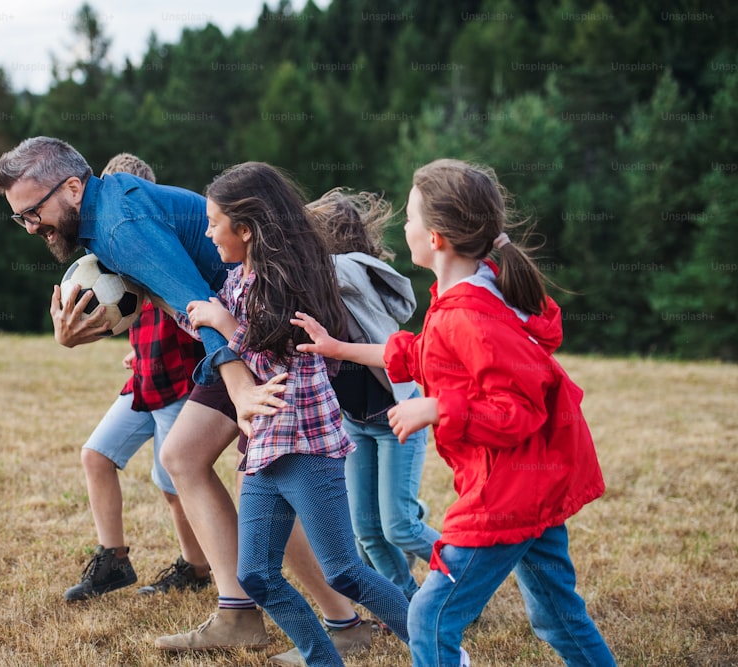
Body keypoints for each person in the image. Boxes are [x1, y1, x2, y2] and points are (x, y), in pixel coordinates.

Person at [292, 158, 615, 667]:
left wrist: (439, 407)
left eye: (411, 217)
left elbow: (518, 410)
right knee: (556, 615)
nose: (405, 225)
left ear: (437, 237)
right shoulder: (473, 292)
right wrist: (340, 348)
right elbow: (422, 352)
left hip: (507, 490)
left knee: (428, 618)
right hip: (535, 482)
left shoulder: (469, 313)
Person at [0, 137, 284, 648]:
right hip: (248, 329)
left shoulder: (118, 226)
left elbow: (199, 301)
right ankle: (247, 612)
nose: (31, 227)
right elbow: (161, 291)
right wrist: (80, 332)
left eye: (33, 213)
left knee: (264, 477)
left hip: (261, 332)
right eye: (20, 218)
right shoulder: (109, 208)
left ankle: (312, 613)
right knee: (195, 460)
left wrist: (239, 386)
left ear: (73, 188)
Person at [183, 161, 411, 666]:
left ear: (245, 228)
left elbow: (282, 352)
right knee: (257, 574)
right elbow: (212, 323)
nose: (207, 231)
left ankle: (435, 645)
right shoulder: (238, 277)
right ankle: (322, 659)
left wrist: (224, 322)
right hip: (265, 448)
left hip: (307, 445)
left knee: (344, 570)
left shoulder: (289, 278)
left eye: (214, 222)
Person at [60, 153, 211, 602]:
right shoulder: (105, 251)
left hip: (179, 383)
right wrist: (133, 356)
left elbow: (191, 312)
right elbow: (127, 315)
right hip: (144, 381)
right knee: (96, 455)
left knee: (172, 482)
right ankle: (114, 561)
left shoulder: (154, 237)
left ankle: (197, 566)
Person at [306, 188, 441, 601]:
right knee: (366, 528)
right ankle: (405, 600)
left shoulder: (348, 272)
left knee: (398, 526)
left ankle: (470, 566)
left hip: (396, 417)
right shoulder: (323, 285)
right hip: (355, 423)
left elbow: (321, 271)